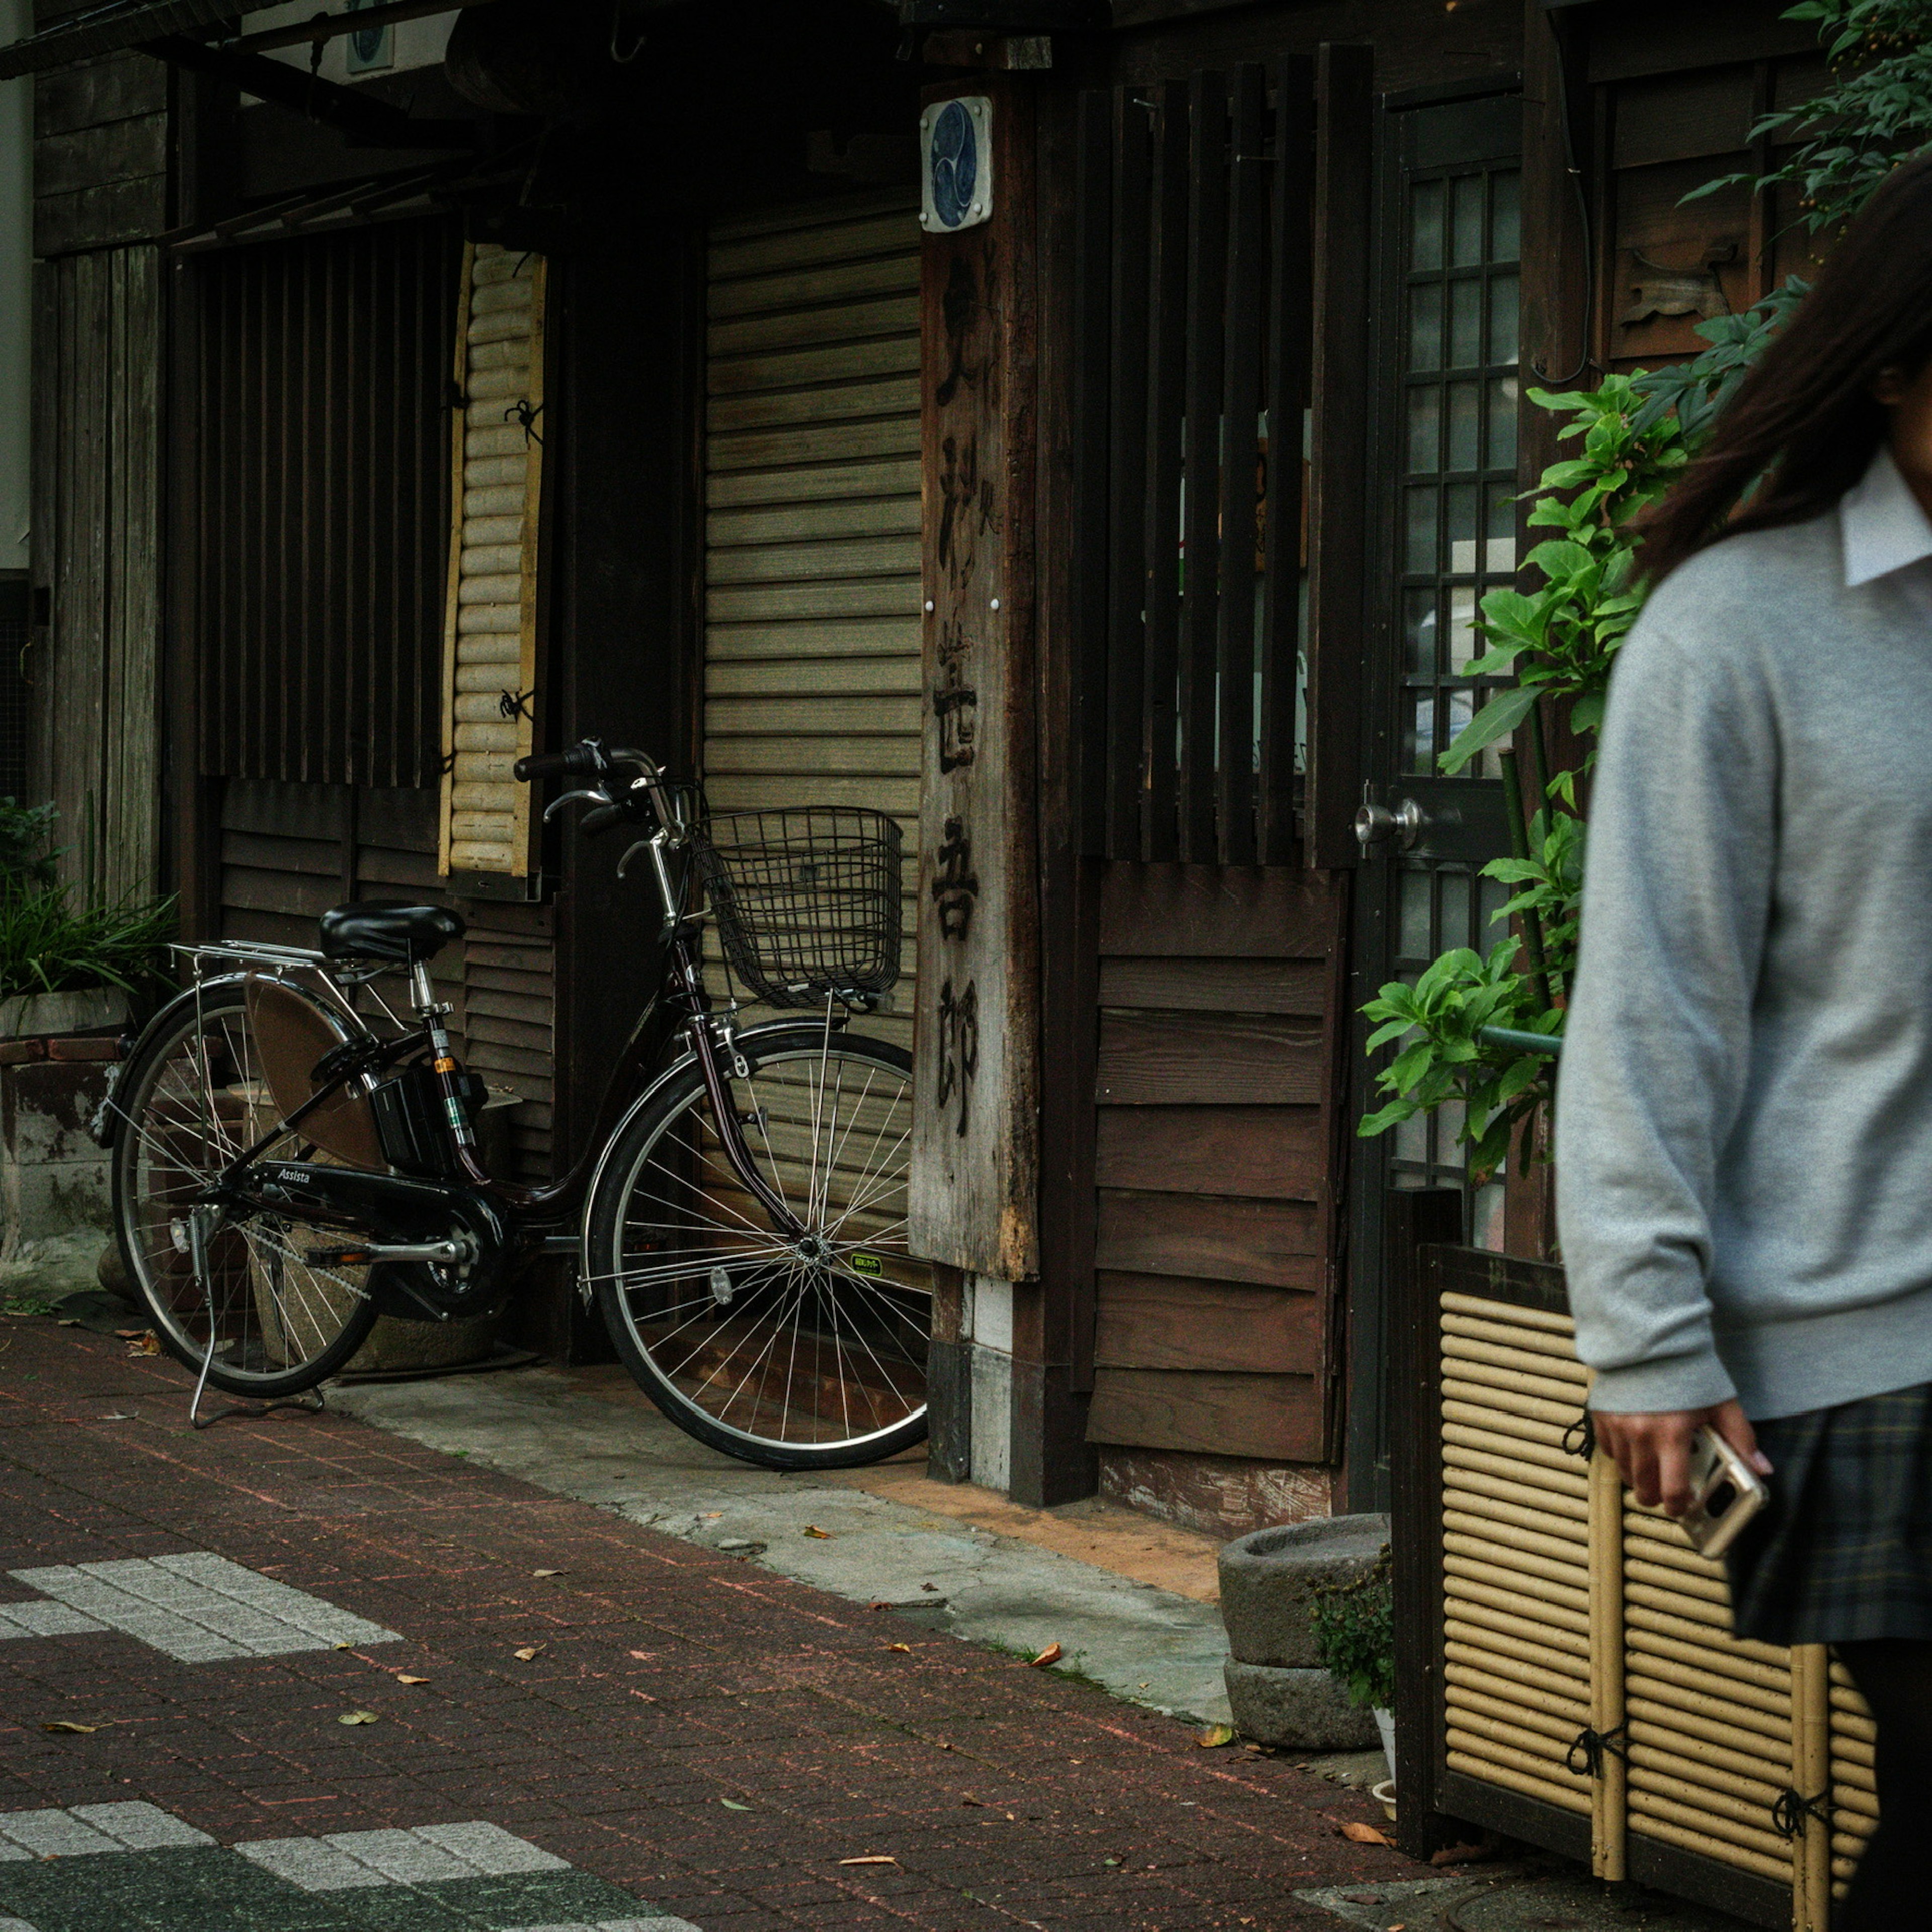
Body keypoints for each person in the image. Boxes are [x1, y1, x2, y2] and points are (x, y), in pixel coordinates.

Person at [1556, 149, 1932, 1931]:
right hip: (1863, 1357)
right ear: (1895, 361)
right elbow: (1652, 999)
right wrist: (1644, 1337)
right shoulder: (1740, 628)